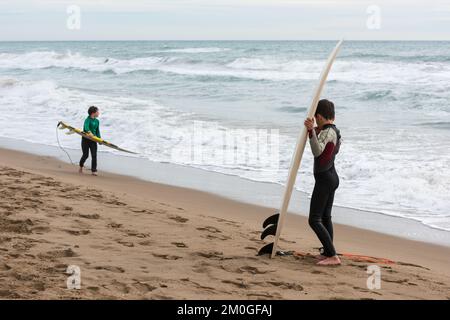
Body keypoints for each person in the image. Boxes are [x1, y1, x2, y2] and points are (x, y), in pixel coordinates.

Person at [304, 99, 342, 266]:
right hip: (331, 177)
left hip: (325, 179)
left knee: (314, 219)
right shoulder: (334, 131)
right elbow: (329, 148)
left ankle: (333, 255)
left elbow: (317, 151)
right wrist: (316, 131)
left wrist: (311, 131)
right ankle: (328, 252)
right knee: (325, 217)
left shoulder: (327, 132)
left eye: (316, 117)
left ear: (319, 116)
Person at [79, 106, 101, 176]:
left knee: (94, 155)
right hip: (86, 139)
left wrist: (99, 139)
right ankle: (81, 166)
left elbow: (97, 131)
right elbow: (86, 127)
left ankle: (93, 171)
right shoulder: (87, 120)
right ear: (93, 113)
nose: (99, 113)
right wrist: (89, 132)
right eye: (97, 111)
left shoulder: (97, 121)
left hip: (93, 139)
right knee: (85, 155)